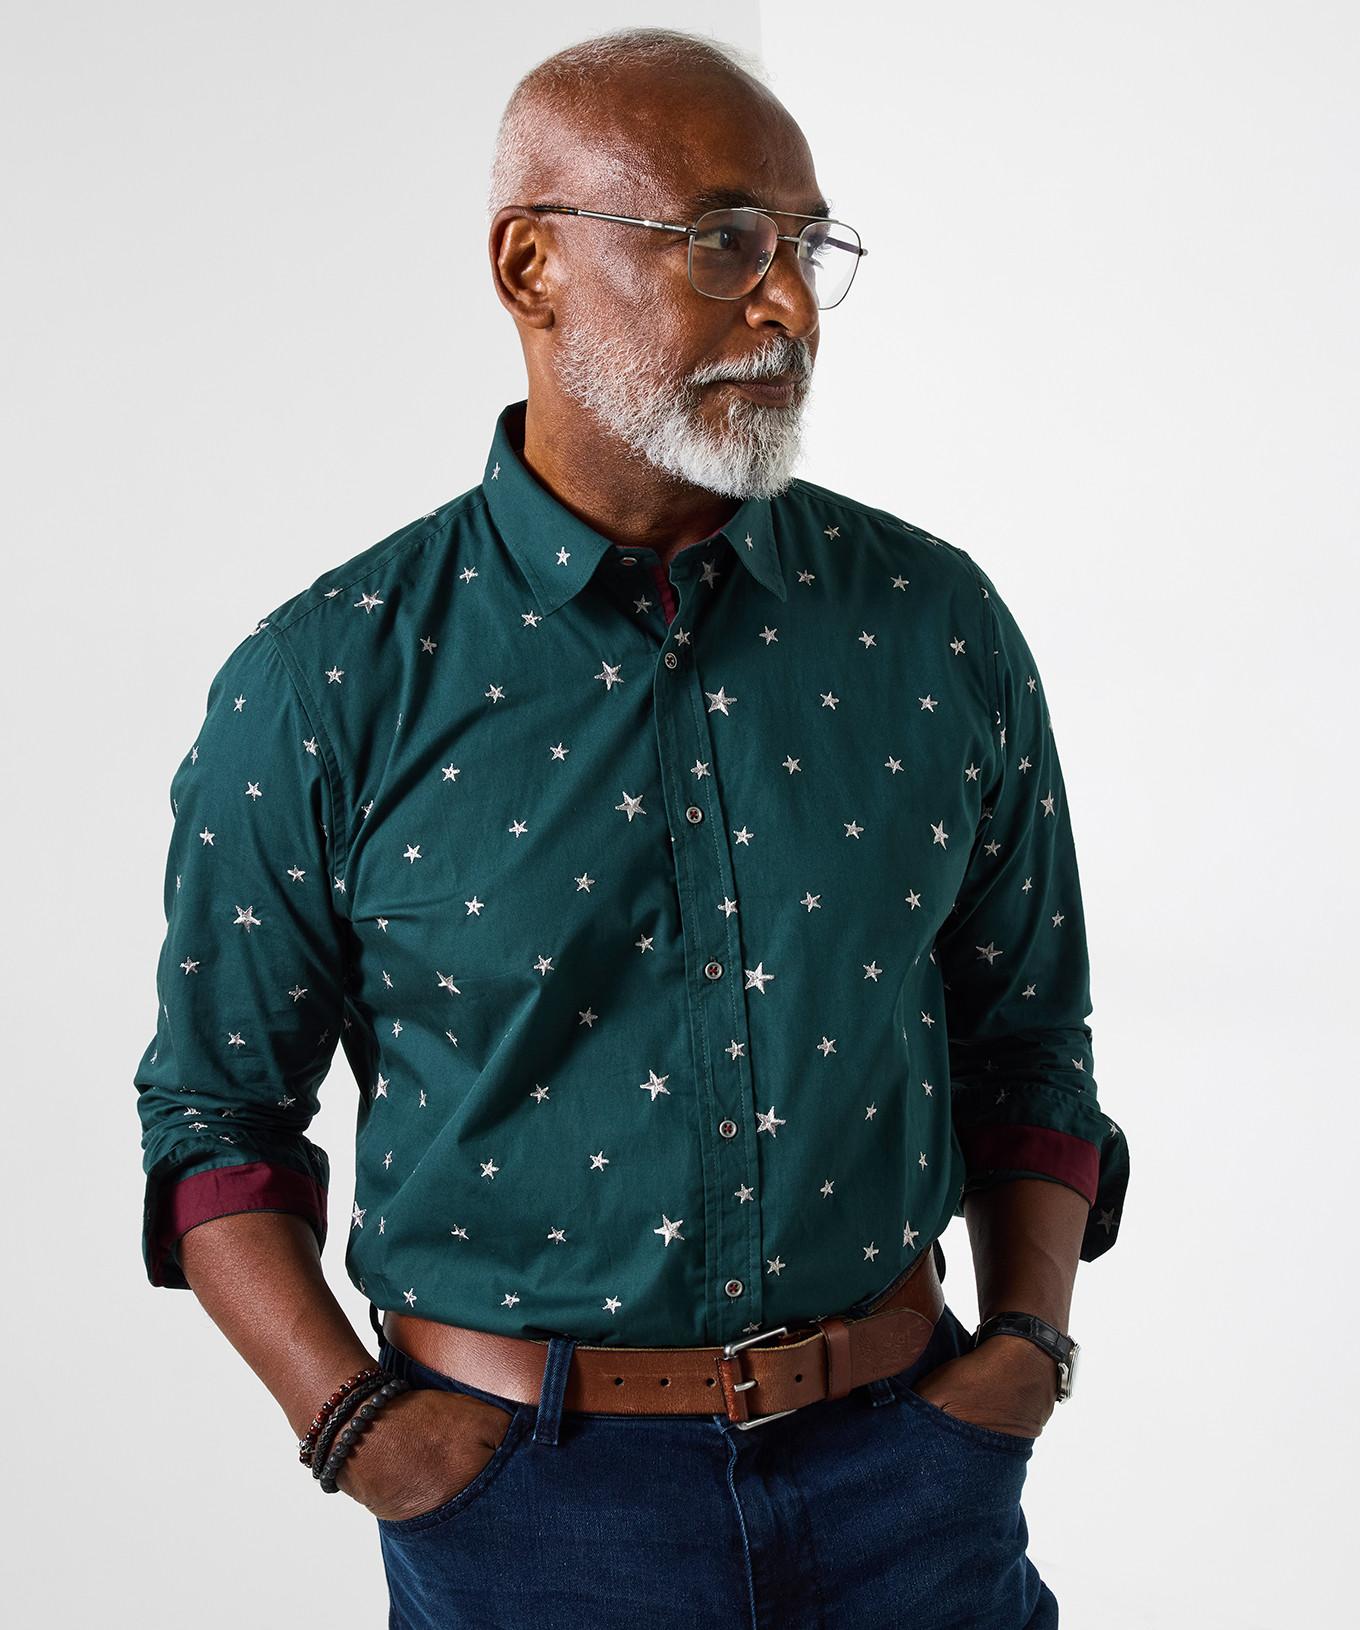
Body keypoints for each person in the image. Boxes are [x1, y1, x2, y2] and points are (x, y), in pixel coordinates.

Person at [132, 24, 1129, 1629]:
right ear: (531, 266)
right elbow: (214, 1121)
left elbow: (1030, 1043)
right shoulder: (328, 678)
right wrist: (359, 1429)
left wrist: (1023, 1351)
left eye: (808, 246)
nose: (789, 304)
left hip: (914, 1482)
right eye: (724, 240)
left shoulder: (932, 626)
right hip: (527, 1515)